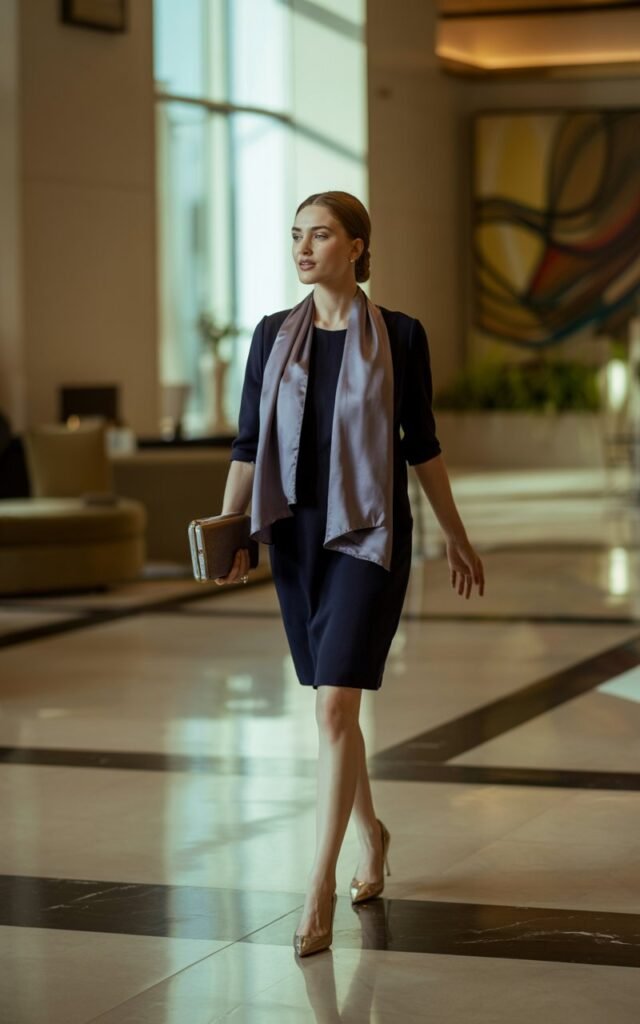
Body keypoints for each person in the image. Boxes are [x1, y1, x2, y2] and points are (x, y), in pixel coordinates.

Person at [216, 191, 485, 957]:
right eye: (296, 236)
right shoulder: (272, 337)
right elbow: (246, 445)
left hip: (369, 538)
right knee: (334, 711)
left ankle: (319, 885)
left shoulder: (399, 335)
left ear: (358, 245)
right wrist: (229, 528)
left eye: (321, 235)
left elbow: (420, 443)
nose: (303, 249)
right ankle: (373, 834)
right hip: (297, 541)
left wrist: (457, 535)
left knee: (336, 706)